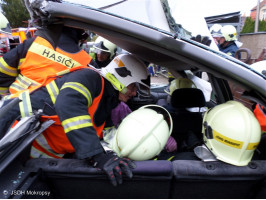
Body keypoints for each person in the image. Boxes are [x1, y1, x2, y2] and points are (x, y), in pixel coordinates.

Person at [0, 53, 150, 186]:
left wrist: (112, 154)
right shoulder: (91, 78)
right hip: (9, 138)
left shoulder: (108, 100)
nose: (135, 93)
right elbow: (68, 103)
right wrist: (96, 155)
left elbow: (97, 133)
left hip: (29, 159)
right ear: (123, 76)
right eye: (133, 87)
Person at [0, 26, 96, 96]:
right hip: (56, 119)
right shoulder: (88, 63)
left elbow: (3, 70)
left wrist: (4, 98)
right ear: (81, 34)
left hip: (15, 116)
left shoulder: (33, 43)